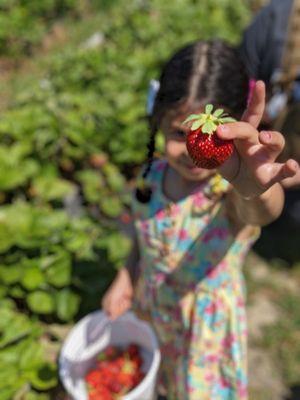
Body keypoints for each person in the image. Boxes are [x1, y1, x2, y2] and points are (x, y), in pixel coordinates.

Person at [102, 39, 299, 399]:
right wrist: (126, 275)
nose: (194, 151)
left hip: (205, 333)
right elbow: (143, 239)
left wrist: (253, 188)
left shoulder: (225, 193)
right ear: (157, 119)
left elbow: (258, 212)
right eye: (181, 133)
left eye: (207, 135)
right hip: (157, 314)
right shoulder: (151, 177)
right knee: (162, 383)